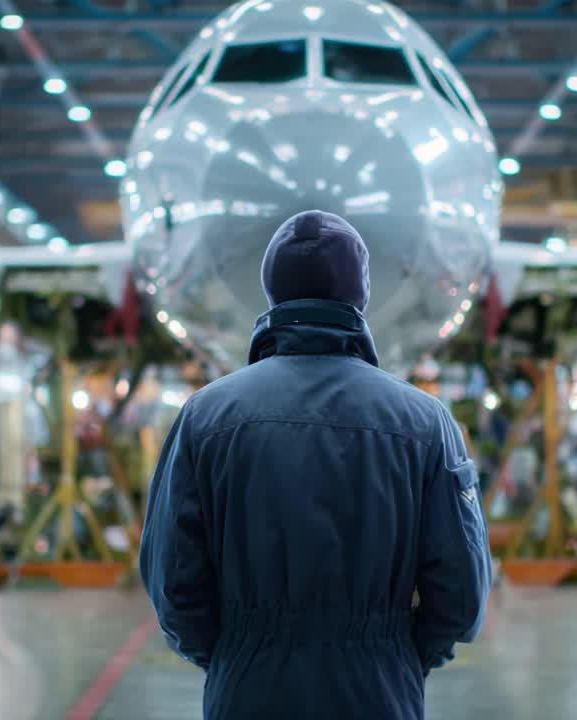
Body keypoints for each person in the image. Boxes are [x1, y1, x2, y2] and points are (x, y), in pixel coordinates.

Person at [139, 210, 491, 720]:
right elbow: (461, 595)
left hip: (246, 690)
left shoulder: (206, 417)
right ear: (361, 294)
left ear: (271, 290)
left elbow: (173, 580)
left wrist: (237, 653)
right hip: (378, 691)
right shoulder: (424, 422)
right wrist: (397, 657)